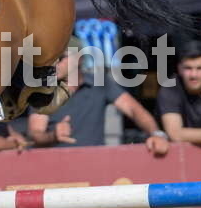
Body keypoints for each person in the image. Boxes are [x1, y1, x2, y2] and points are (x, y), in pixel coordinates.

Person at [28, 37, 169, 155]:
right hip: (55, 167)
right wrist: (53, 136)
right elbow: (35, 133)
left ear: (80, 59)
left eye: (61, 57)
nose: (54, 63)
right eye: (51, 58)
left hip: (95, 164)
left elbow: (134, 110)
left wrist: (156, 134)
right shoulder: (43, 90)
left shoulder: (100, 83)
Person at [157, 40, 201, 144]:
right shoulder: (169, 89)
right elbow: (175, 134)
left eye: (200, 68)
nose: (193, 75)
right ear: (179, 69)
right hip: (176, 152)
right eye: (188, 68)